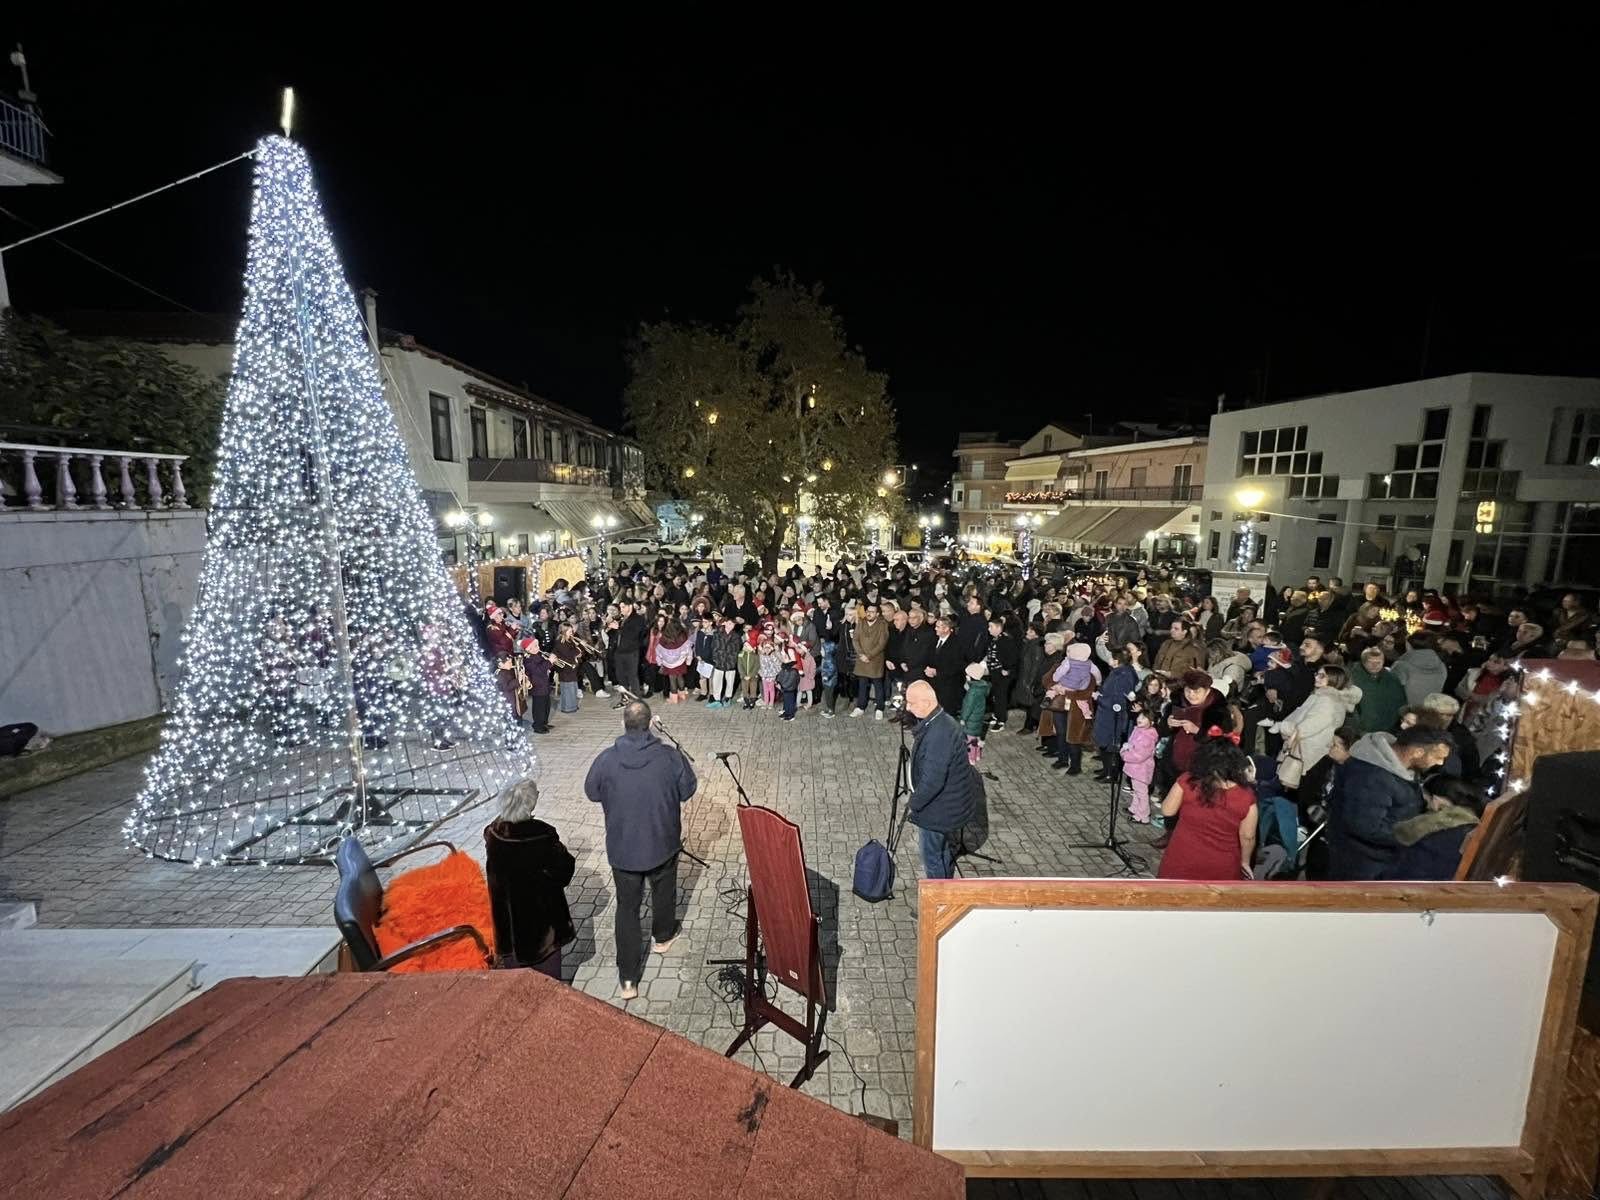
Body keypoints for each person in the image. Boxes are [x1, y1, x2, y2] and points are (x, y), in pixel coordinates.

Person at [584, 700, 698, 1000]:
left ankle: (628, 979)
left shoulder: (607, 759)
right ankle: (662, 937)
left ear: (624, 724)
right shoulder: (669, 757)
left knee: (627, 909)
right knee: (664, 892)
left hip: (623, 849)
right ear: (649, 724)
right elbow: (688, 789)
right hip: (662, 842)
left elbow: (591, 792)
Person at [1327, 726, 1454, 880]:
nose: (1440, 763)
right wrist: (1417, 833)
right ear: (1418, 752)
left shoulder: (1401, 769)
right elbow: (1366, 826)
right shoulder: (1372, 776)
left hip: (1379, 861)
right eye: (1437, 757)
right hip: (1360, 865)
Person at [484, 778, 575, 978]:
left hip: (508, 927)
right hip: (541, 932)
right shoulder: (542, 835)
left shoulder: (493, 833)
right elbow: (564, 871)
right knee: (549, 984)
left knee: (518, 984)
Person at [903, 681, 977, 881]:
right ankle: (946, 888)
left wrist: (914, 804)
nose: (907, 707)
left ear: (927, 703)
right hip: (949, 806)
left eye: (911, 703)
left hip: (940, 810)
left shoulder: (939, 734)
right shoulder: (941, 720)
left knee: (932, 857)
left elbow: (932, 781)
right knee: (942, 850)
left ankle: (939, 903)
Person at [1156, 739, 1259, 881]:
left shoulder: (1187, 781)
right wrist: (1245, 862)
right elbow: (1248, 837)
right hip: (1222, 866)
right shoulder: (1246, 797)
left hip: (1182, 858)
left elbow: (1167, 810)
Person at [1262, 664, 1360, 795]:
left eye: (1322, 676)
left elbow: (1307, 727)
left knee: (1293, 792)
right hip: (1309, 753)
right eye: (1317, 674)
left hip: (1307, 755)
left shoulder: (1327, 701)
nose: (1317, 678)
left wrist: (1282, 726)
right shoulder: (1323, 697)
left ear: (1334, 680)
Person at [1381, 775, 1485, 880]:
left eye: (1425, 801)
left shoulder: (1426, 835)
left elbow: (1399, 876)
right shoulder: (1478, 830)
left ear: (1436, 801)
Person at [852, 601, 890, 718]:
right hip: (861, 659)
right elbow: (855, 639)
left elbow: (882, 643)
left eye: (872, 612)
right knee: (862, 684)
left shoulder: (882, 624)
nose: (869, 614)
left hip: (875, 660)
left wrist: (869, 656)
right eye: (868, 611)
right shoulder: (861, 623)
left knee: (878, 684)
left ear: (877, 614)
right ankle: (860, 706)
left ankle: (879, 708)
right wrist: (861, 654)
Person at [1120, 708, 1159, 824]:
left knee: (1141, 792)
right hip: (1136, 768)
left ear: (1151, 722)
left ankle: (1143, 815)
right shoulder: (1139, 730)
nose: (1139, 719)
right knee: (1136, 790)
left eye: (1143, 718)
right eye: (1139, 717)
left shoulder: (1148, 737)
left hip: (1141, 769)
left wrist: (1124, 754)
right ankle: (1134, 808)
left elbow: (1139, 755)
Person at [1391, 632, 1448, 708]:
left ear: (1409, 645)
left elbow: (1391, 691)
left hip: (1406, 713)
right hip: (1430, 712)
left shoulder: (1402, 665)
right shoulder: (1441, 666)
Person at [928, 614, 967, 716]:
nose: (935, 629)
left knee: (948, 714)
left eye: (938, 627)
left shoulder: (956, 643)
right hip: (936, 683)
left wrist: (938, 672)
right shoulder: (935, 640)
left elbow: (957, 666)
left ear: (946, 629)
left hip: (950, 686)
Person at [609, 599, 646, 705]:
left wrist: (618, 628)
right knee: (620, 676)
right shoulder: (622, 618)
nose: (621, 610)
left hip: (631, 652)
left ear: (630, 607)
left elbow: (633, 635)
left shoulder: (638, 619)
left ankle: (637, 701)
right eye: (620, 607)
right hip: (619, 652)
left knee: (632, 676)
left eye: (623, 607)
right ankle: (625, 699)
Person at [959, 660, 991, 765]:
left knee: (970, 740)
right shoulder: (982, 687)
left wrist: (963, 718)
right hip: (978, 717)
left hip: (970, 720)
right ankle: (977, 755)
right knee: (976, 738)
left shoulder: (972, 692)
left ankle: (971, 758)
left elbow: (968, 706)